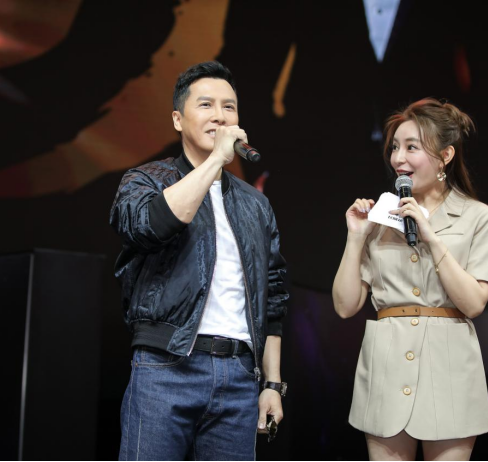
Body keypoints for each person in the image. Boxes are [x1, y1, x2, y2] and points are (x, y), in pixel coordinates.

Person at [110, 61, 289, 461]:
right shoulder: (145, 180)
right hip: (165, 367)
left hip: (238, 376)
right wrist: (214, 163)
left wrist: (272, 384)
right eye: (206, 105)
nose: (220, 116)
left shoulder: (256, 204)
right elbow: (151, 226)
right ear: (178, 119)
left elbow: (274, 299)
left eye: (229, 107)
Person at [332, 98, 488, 461]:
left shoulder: (479, 218)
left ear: (445, 156)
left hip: (449, 369)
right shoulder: (380, 217)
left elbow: (474, 303)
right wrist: (356, 237)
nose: (399, 158)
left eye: (412, 147)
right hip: (386, 367)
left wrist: (431, 236)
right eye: (395, 147)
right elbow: (346, 306)